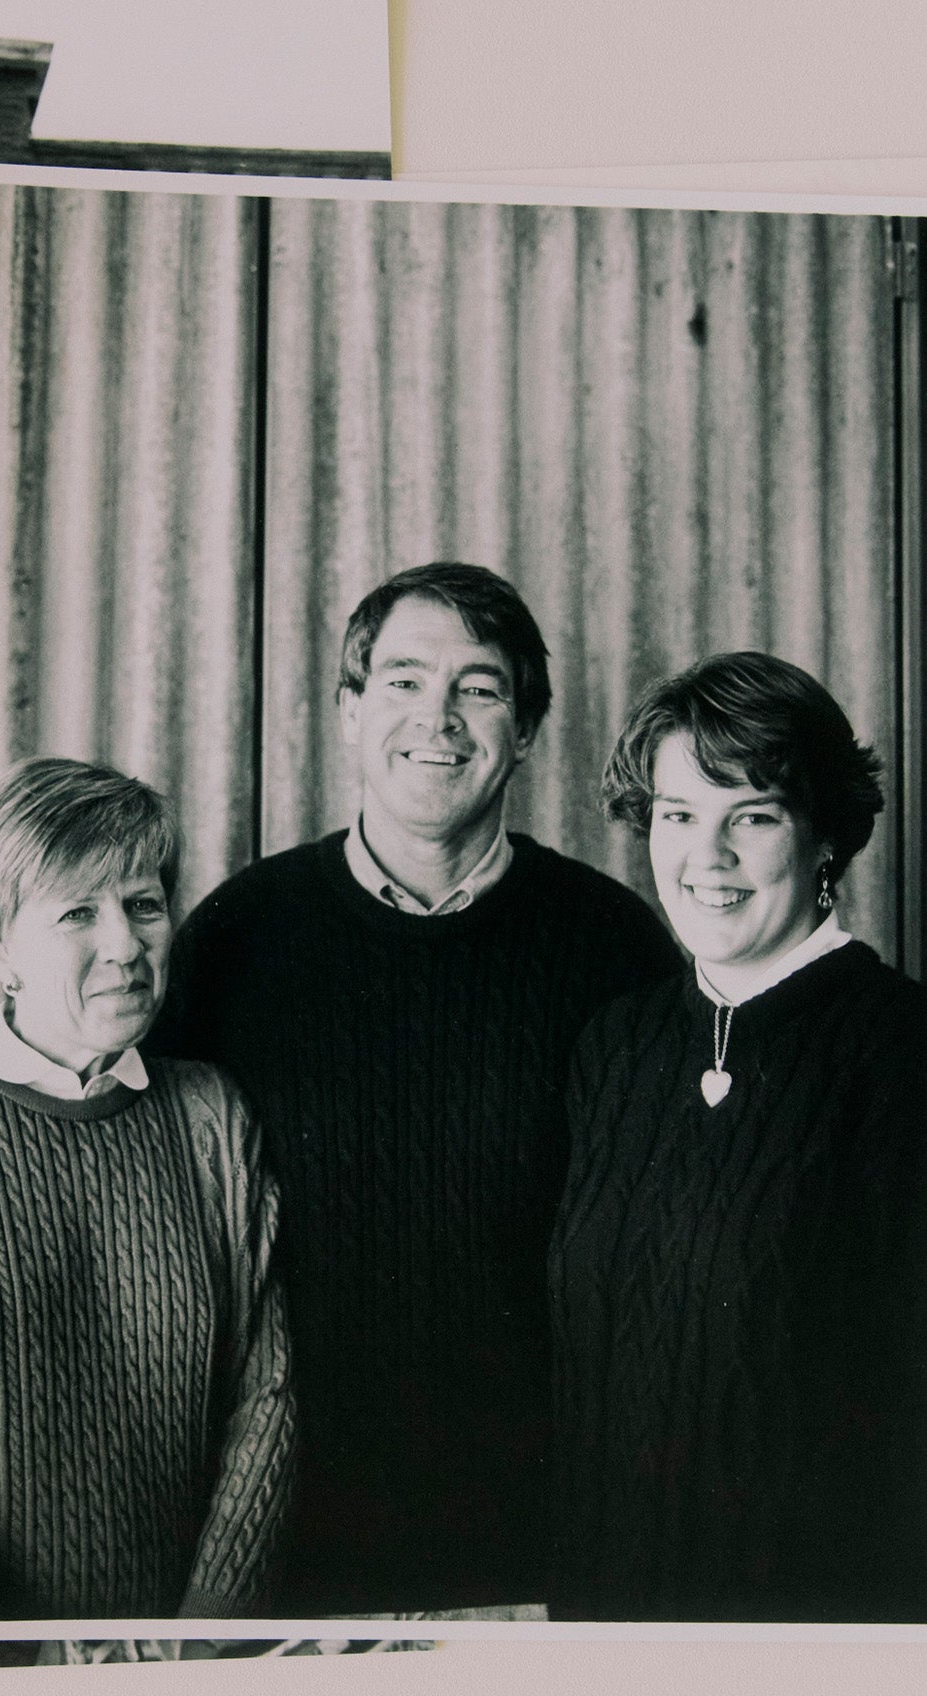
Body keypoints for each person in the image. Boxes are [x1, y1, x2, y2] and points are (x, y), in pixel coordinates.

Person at [151, 561, 680, 1615]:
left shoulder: (616, 947)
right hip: (285, 1548)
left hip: (542, 1551)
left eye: (478, 688)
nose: (436, 718)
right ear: (350, 711)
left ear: (526, 730)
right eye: (402, 681)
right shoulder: (238, 937)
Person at [549, 651, 927, 1622]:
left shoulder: (901, 1050)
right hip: (608, 1629)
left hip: (820, 1639)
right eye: (678, 815)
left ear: (825, 836)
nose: (705, 856)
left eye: (751, 816)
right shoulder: (616, 1046)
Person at [0, 757, 295, 1623]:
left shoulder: (210, 1113)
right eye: (78, 912)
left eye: (143, 905)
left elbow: (267, 1392)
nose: (125, 945)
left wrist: (204, 1636)